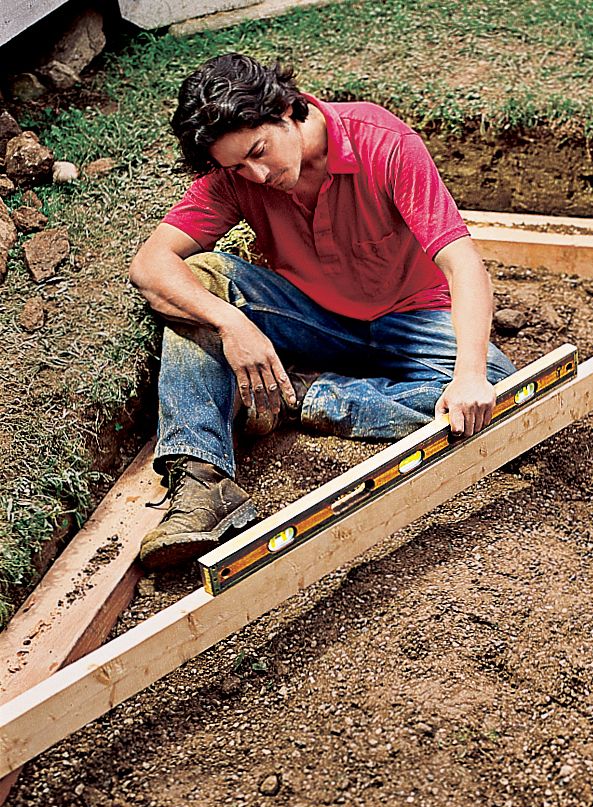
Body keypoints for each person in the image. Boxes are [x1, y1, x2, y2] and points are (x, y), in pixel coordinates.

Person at [130, 52, 516, 570]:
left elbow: (463, 264)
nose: (258, 174)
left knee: (497, 389)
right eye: (238, 167)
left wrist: (468, 374)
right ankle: (203, 480)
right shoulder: (236, 177)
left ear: (288, 110)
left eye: (259, 152)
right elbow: (152, 265)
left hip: (414, 318)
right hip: (310, 316)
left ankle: (308, 395)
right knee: (200, 283)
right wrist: (232, 322)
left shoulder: (384, 141)